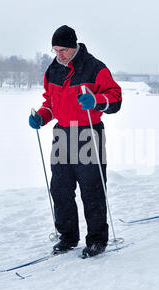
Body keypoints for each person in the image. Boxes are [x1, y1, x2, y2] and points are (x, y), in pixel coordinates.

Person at [29, 25, 122, 257]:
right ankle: (68, 237)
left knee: (92, 189)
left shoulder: (94, 68)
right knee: (60, 188)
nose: (58, 54)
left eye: (62, 50)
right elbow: (50, 101)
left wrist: (97, 101)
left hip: (88, 133)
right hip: (62, 134)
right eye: (55, 50)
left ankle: (97, 239)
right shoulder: (53, 71)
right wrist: (41, 116)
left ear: (73, 47)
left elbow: (116, 98)